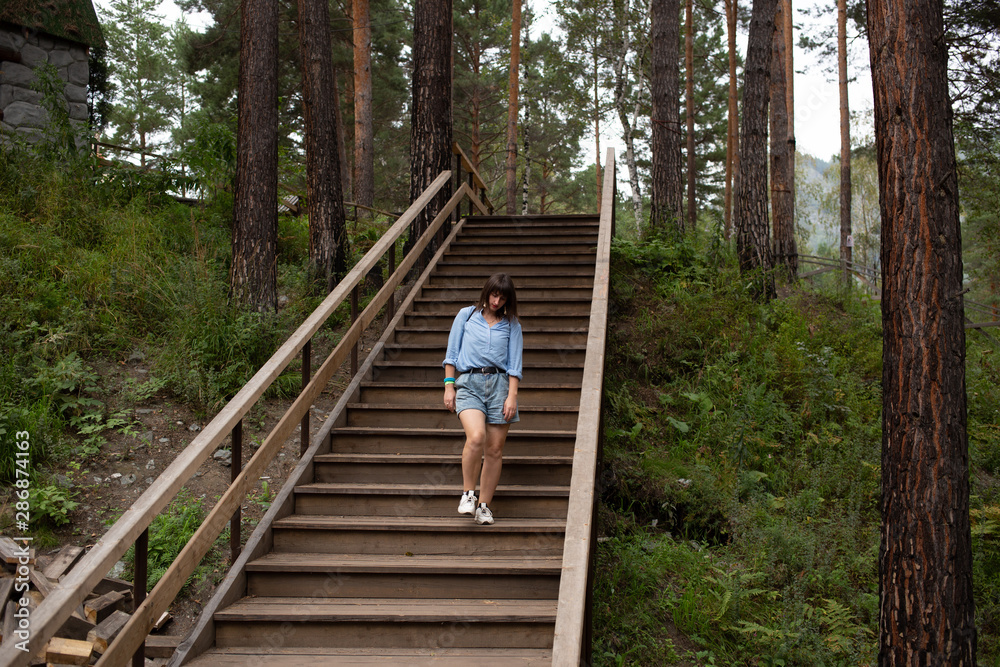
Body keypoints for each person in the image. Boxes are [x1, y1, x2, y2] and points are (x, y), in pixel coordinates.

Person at [442, 273, 523, 525]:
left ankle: (484, 506)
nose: (496, 300)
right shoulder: (466, 315)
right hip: (469, 383)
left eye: (502, 297)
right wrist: (449, 385)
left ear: (508, 299)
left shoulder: (512, 325)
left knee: (495, 450)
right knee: (476, 437)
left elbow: (514, 364)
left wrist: (512, 396)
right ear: (486, 292)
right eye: (493, 294)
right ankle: (468, 494)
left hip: (500, 386)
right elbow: (452, 353)